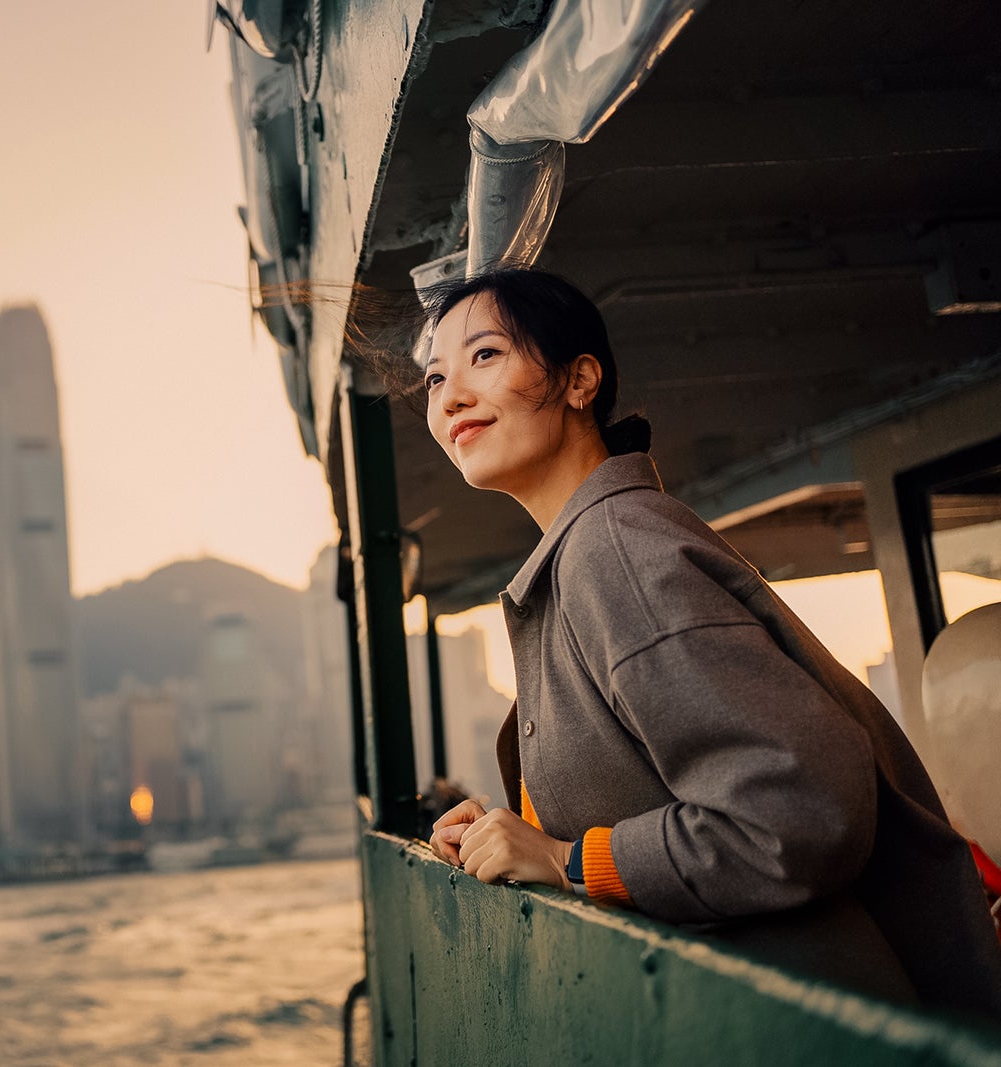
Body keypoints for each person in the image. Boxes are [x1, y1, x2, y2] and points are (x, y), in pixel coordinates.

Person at [416, 266, 1001, 1016]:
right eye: (434, 379)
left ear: (580, 379)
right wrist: (522, 832)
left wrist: (566, 859)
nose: (451, 395)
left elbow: (796, 811)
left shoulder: (615, 548)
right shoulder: (587, 554)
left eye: (485, 356)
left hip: (804, 1026)